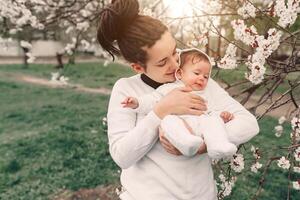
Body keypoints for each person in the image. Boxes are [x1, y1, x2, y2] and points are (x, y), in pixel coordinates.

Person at [97, 0, 259, 199]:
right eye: (163, 62)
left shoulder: (194, 79)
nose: (176, 65)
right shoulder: (127, 90)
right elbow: (122, 156)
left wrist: (203, 144)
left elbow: (249, 124)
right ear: (138, 67)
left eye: (174, 51)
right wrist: (160, 112)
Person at [121, 48, 237, 159]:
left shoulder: (204, 93)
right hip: (180, 123)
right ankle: (186, 142)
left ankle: (218, 145)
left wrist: (221, 116)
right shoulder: (169, 88)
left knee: (213, 121)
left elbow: (210, 110)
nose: (202, 78)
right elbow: (153, 100)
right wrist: (137, 103)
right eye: (197, 73)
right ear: (180, 73)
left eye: (206, 77)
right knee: (168, 121)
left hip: (200, 125)